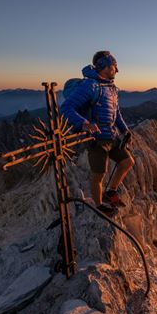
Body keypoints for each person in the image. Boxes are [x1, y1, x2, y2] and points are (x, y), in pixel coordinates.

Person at [60, 50, 134, 215]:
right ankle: (99, 206)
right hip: (96, 139)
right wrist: (84, 124)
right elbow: (66, 108)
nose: (117, 70)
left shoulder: (111, 88)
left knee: (127, 162)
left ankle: (111, 191)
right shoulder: (90, 86)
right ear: (106, 66)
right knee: (99, 175)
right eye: (115, 67)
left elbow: (116, 113)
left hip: (111, 136)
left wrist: (125, 130)